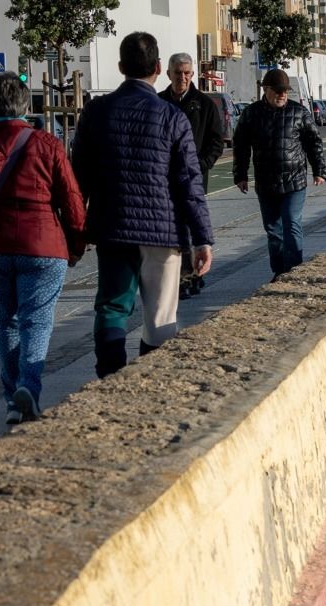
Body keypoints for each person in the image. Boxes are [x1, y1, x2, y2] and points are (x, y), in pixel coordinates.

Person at [72, 31, 213, 379]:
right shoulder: (172, 117)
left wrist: (76, 229)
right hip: (163, 232)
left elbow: (79, 177)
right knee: (161, 316)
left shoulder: (95, 112)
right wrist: (203, 238)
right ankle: (152, 382)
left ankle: (110, 376)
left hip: (113, 225)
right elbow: (189, 184)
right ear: (157, 68)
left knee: (111, 307)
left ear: (121, 67)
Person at [0, 73, 85, 423]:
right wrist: (76, 244)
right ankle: (29, 385)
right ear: (27, 105)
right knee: (37, 321)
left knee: (8, 320)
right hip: (43, 244)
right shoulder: (48, 144)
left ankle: (14, 397)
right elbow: (71, 198)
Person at [233, 68, 326, 279]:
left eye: (285, 91)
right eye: (277, 90)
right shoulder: (252, 114)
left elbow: (314, 143)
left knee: (291, 224)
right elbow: (240, 145)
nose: (282, 94)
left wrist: (319, 170)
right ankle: (280, 271)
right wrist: (240, 175)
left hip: (294, 181)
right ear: (265, 90)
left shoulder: (299, 112)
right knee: (274, 231)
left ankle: (295, 271)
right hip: (266, 183)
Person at [160, 52, 224, 299]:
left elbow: (216, 141)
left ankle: (192, 275)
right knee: (175, 229)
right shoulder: (159, 102)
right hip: (164, 180)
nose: (182, 78)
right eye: (178, 73)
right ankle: (181, 276)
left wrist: (201, 165)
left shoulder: (205, 104)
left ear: (193, 75)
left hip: (194, 179)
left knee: (192, 226)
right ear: (168, 74)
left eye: (187, 73)